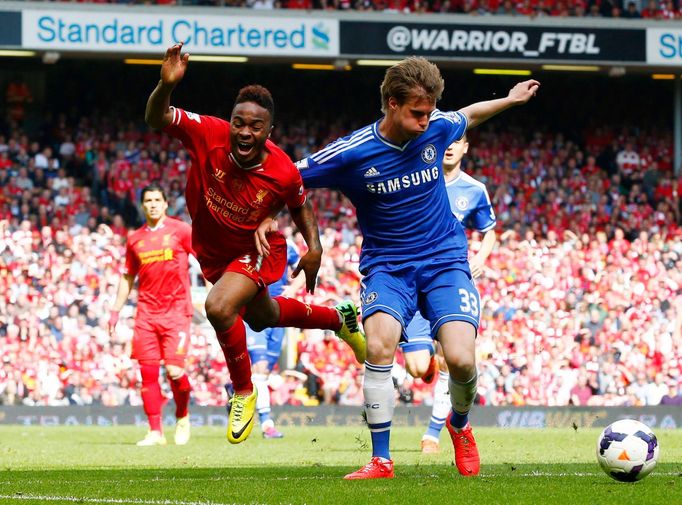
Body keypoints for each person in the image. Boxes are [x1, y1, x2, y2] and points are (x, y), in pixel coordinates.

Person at [279, 57, 538, 478]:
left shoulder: (437, 126)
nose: (425, 120)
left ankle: (458, 423)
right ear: (391, 103)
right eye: (417, 112)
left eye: (430, 111)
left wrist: (509, 100)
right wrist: (283, 227)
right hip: (388, 266)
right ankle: (381, 459)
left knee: (461, 360)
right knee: (379, 348)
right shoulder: (352, 152)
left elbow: (469, 115)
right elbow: (289, 178)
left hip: (444, 259)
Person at [144, 43, 365, 445]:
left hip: (254, 251)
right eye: (238, 122)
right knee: (262, 316)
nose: (245, 131)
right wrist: (165, 86)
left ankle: (243, 392)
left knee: (218, 306)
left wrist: (313, 247)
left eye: (255, 126)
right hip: (213, 254)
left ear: (268, 132)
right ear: (229, 121)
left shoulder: (282, 170)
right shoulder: (206, 132)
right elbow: (155, 117)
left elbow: (301, 206)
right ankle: (339, 318)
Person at [399, 134, 498, 454]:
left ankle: (435, 432)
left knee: (452, 360)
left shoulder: (474, 189)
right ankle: (424, 362)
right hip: (413, 279)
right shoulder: (413, 180)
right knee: (416, 367)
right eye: (447, 140)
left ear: (467, 147)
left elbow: (489, 231)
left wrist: (480, 259)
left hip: (450, 281)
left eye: (459, 141)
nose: (452, 146)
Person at [109, 183, 195, 447]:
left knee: (174, 370)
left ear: (166, 203)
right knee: (147, 374)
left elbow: (205, 260)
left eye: (158, 199)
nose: (153, 204)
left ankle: (182, 414)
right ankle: (155, 432)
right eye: (148, 200)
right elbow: (128, 276)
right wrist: (115, 311)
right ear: (142, 205)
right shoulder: (135, 239)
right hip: (146, 314)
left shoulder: (181, 231)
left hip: (177, 312)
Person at [245, 239, 300, 439]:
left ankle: (235, 390)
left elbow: (302, 267)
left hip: (278, 312)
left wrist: (293, 290)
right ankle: (267, 424)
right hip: (253, 310)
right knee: (259, 368)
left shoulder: (286, 244)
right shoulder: (246, 239)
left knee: (264, 371)